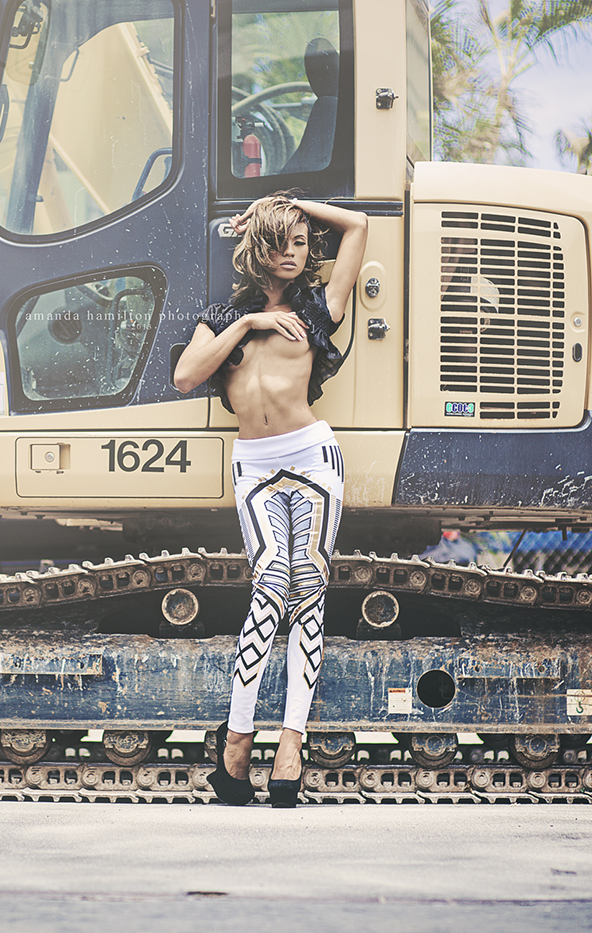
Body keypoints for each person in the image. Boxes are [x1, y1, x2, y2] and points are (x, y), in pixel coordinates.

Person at [173, 193, 368, 807]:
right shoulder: (221, 318)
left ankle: (290, 745)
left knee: (307, 590)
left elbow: (359, 225)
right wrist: (249, 324)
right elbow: (185, 376)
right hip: (254, 465)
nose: (293, 253)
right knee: (269, 587)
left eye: (302, 243)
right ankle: (237, 742)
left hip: (311, 457)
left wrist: (285, 203)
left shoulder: (317, 308)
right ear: (259, 247)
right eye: (281, 241)